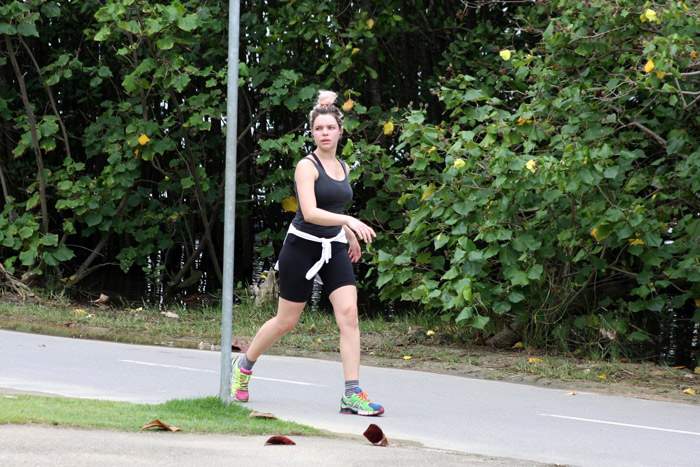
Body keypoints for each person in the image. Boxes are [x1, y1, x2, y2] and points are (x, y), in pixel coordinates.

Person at [230, 90, 384, 416]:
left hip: (334, 248)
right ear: (312, 133)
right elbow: (312, 212)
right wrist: (348, 221)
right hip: (301, 248)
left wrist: (347, 235)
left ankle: (351, 394)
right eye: (319, 129)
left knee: (349, 316)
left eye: (330, 128)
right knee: (287, 321)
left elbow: (334, 207)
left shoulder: (343, 166)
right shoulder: (306, 166)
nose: (325, 133)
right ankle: (243, 366)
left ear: (341, 131)